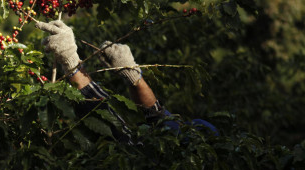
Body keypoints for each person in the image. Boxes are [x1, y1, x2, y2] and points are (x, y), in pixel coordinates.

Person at [35, 20, 217, 137]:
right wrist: (133, 76)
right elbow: (157, 116)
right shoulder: (194, 139)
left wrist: (70, 62)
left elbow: (120, 134)